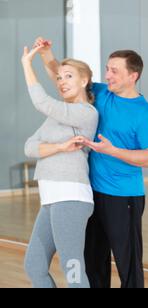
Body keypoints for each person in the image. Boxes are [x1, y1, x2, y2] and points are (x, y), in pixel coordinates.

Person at [37, 37, 148, 288]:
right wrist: (46, 54)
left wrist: (112, 150)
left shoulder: (146, 113)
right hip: (91, 194)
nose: (108, 75)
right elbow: (64, 78)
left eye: (115, 71)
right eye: (107, 69)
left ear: (133, 75)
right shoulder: (102, 93)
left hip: (124, 198)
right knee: (93, 261)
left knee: (128, 264)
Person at [22, 43, 98, 288]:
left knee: (72, 267)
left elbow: (41, 102)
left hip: (71, 196)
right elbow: (29, 147)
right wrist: (59, 147)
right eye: (58, 77)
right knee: (34, 265)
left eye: (68, 76)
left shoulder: (86, 113)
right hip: (50, 198)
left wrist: (26, 65)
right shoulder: (57, 117)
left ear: (84, 80)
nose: (62, 82)